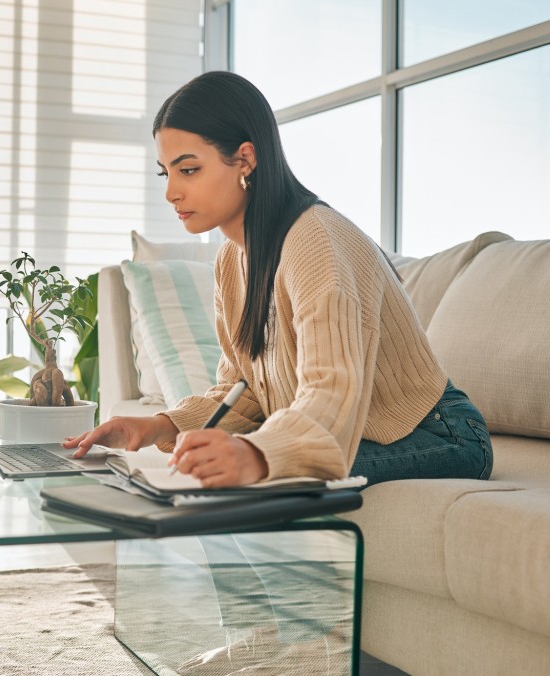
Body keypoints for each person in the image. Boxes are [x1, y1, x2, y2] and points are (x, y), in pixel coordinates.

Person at [64, 69, 492, 489]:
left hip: (442, 435)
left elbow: (331, 392)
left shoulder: (316, 240)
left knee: (260, 477)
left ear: (245, 159)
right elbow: (243, 391)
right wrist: (157, 426)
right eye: (166, 172)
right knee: (221, 470)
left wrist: (254, 455)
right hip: (366, 433)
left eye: (188, 170)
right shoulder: (232, 260)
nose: (171, 192)